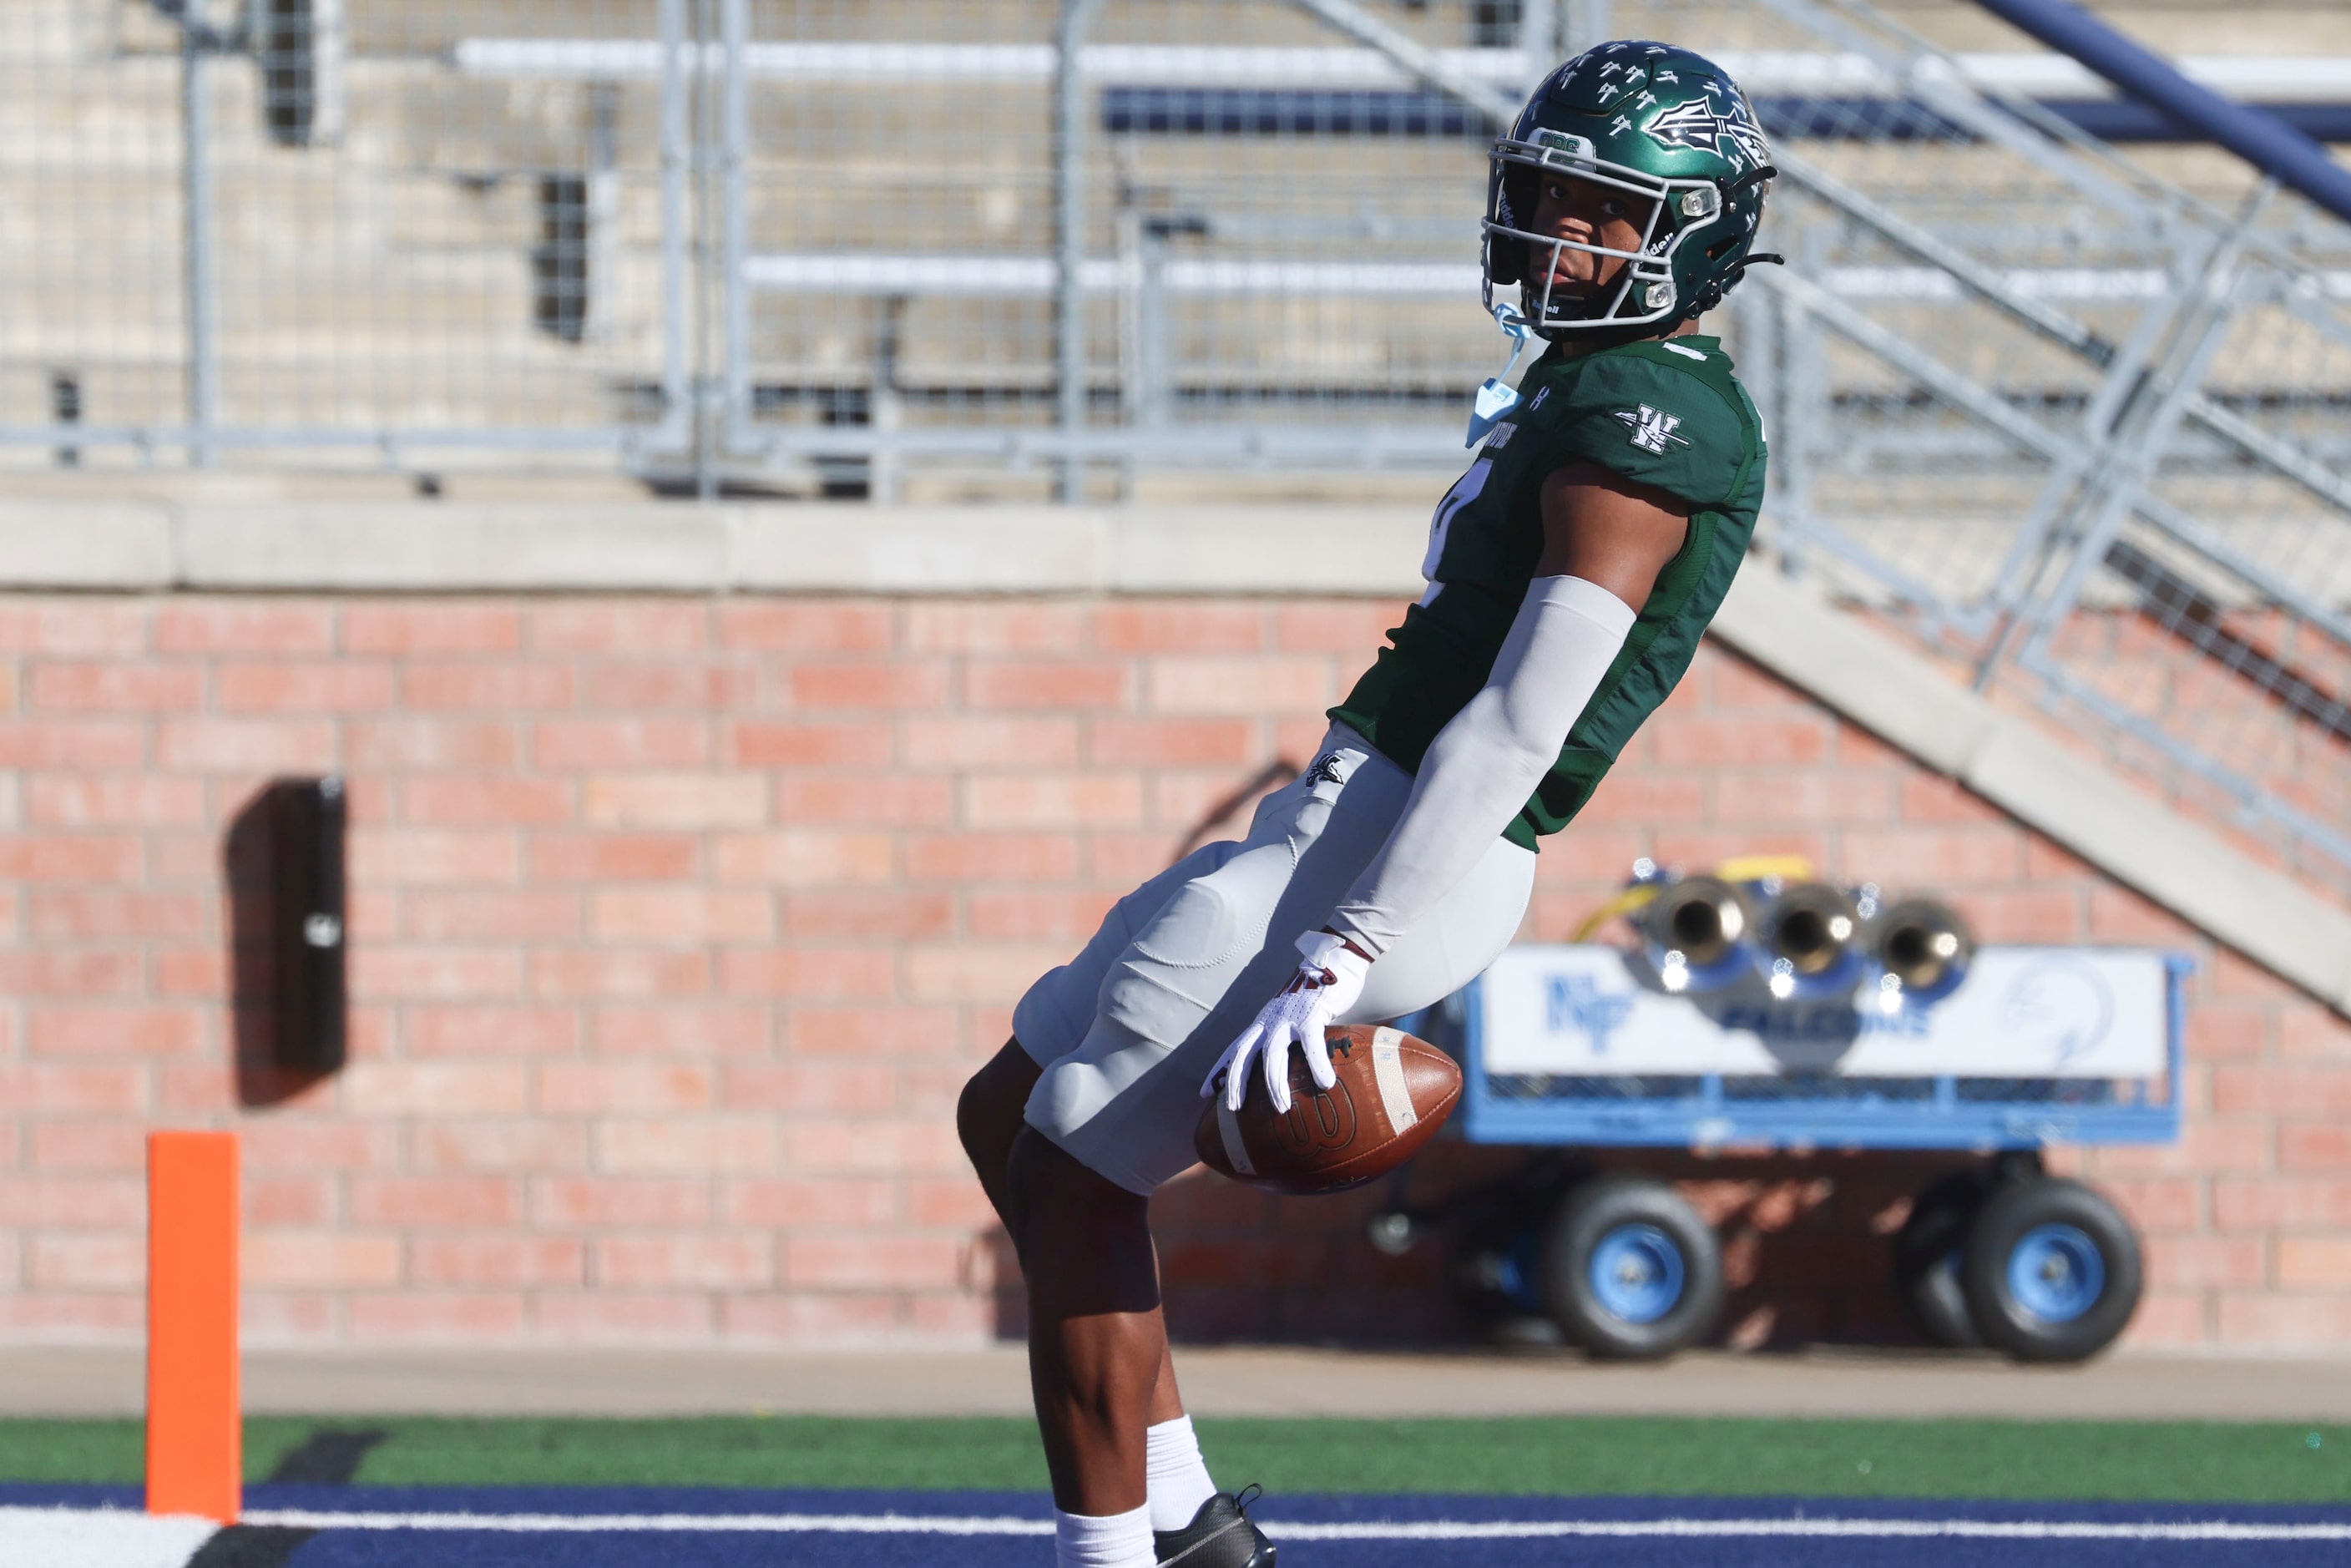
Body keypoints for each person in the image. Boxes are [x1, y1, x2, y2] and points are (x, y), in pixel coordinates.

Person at [955, 41, 1777, 1568]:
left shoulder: (1654, 417)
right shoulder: (1597, 378)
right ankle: (1191, 1521)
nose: (1560, 236)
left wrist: (1348, 944)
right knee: (1007, 1112)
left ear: (1694, 226)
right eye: (1547, 200)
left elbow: (1525, 719)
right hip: (1360, 814)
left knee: (1074, 1164)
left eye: (1601, 214)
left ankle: (1115, 1559)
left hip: (1410, 840)